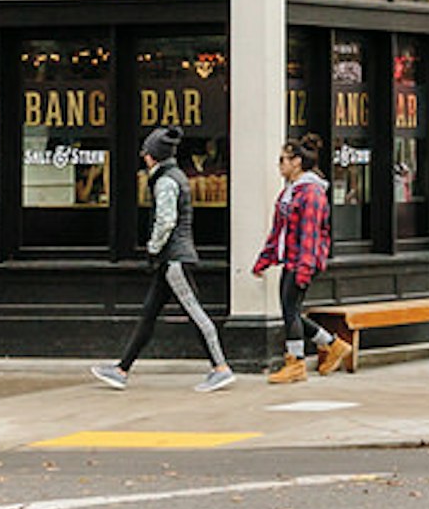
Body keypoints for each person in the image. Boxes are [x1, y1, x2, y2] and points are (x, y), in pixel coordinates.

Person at [93, 126, 236, 392]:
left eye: (146, 152)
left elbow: (166, 220)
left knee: (195, 312)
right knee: (149, 314)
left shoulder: (166, 181)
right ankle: (122, 369)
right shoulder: (175, 176)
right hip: (172, 259)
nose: (143, 157)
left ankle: (220, 367)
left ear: (152, 156)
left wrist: (153, 247)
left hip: (173, 260)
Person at [252, 135, 335, 383]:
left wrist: (304, 268)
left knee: (290, 310)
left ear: (297, 162)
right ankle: (331, 344)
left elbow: (310, 233)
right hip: (291, 259)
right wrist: (264, 260)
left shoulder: (311, 193)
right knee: (291, 310)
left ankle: (296, 363)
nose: (280, 165)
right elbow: (279, 230)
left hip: (301, 261)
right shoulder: (291, 191)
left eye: (283, 160)